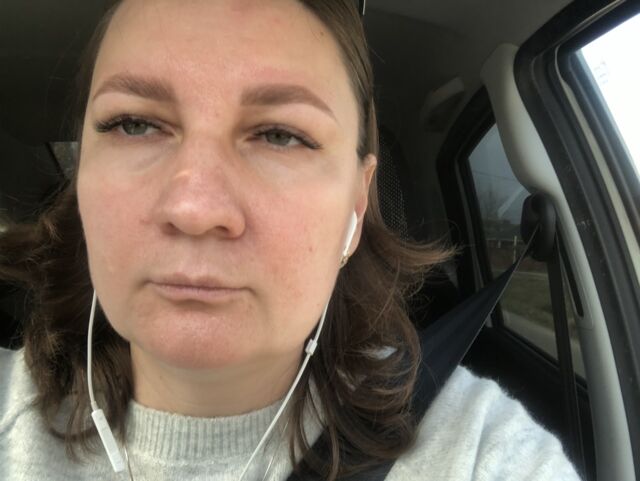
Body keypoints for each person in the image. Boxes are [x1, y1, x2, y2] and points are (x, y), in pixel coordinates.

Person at [0, 0, 582, 480]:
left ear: (356, 208)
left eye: (280, 135)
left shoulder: (478, 453)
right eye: (134, 124)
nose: (195, 208)